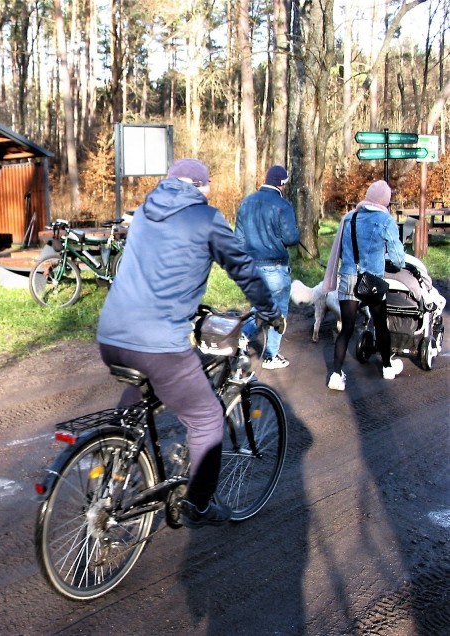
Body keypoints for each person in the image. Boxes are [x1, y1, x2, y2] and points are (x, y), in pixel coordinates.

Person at [97, 158, 285, 528]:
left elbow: (153, 268)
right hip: (157, 343)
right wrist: (268, 308)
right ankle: (198, 504)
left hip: (111, 334)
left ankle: (109, 462)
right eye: (208, 186)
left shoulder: (145, 212)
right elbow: (242, 268)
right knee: (206, 417)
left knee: (143, 389)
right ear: (200, 186)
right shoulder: (206, 218)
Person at [325, 180, 405, 391]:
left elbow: (340, 250)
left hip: (349, 278)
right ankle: (387, 367)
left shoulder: (349, 218)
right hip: (373, 282)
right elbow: (398, 259)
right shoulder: (385, 220)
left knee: (347, 328)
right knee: (380, 324)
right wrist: (394, 264)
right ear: (385, 201)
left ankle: (335, 375)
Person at [235, 165, 300, 370]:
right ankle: (270, 355)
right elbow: (291, 238)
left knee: (260, 307)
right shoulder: (283, 205)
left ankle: (242, 336)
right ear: (281, 184)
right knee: (276, 311)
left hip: (252, 267)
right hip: (275, 267)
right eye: (285, 184)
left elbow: (238, 239)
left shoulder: (246, 202)